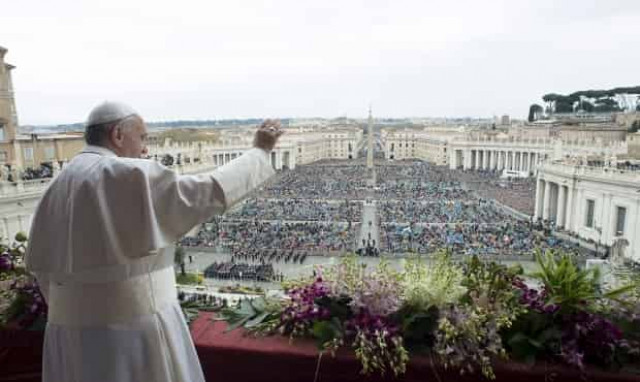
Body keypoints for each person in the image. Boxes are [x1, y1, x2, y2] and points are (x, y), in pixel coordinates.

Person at [24, 101, 283, 382]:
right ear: (118, 135)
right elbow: (205, 193)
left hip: (68, 338)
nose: (146, 149)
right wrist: (260, 150)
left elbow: (44, 272)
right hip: (131, 334)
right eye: (143, 137)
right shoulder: (125, 174)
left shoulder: (57, 184)